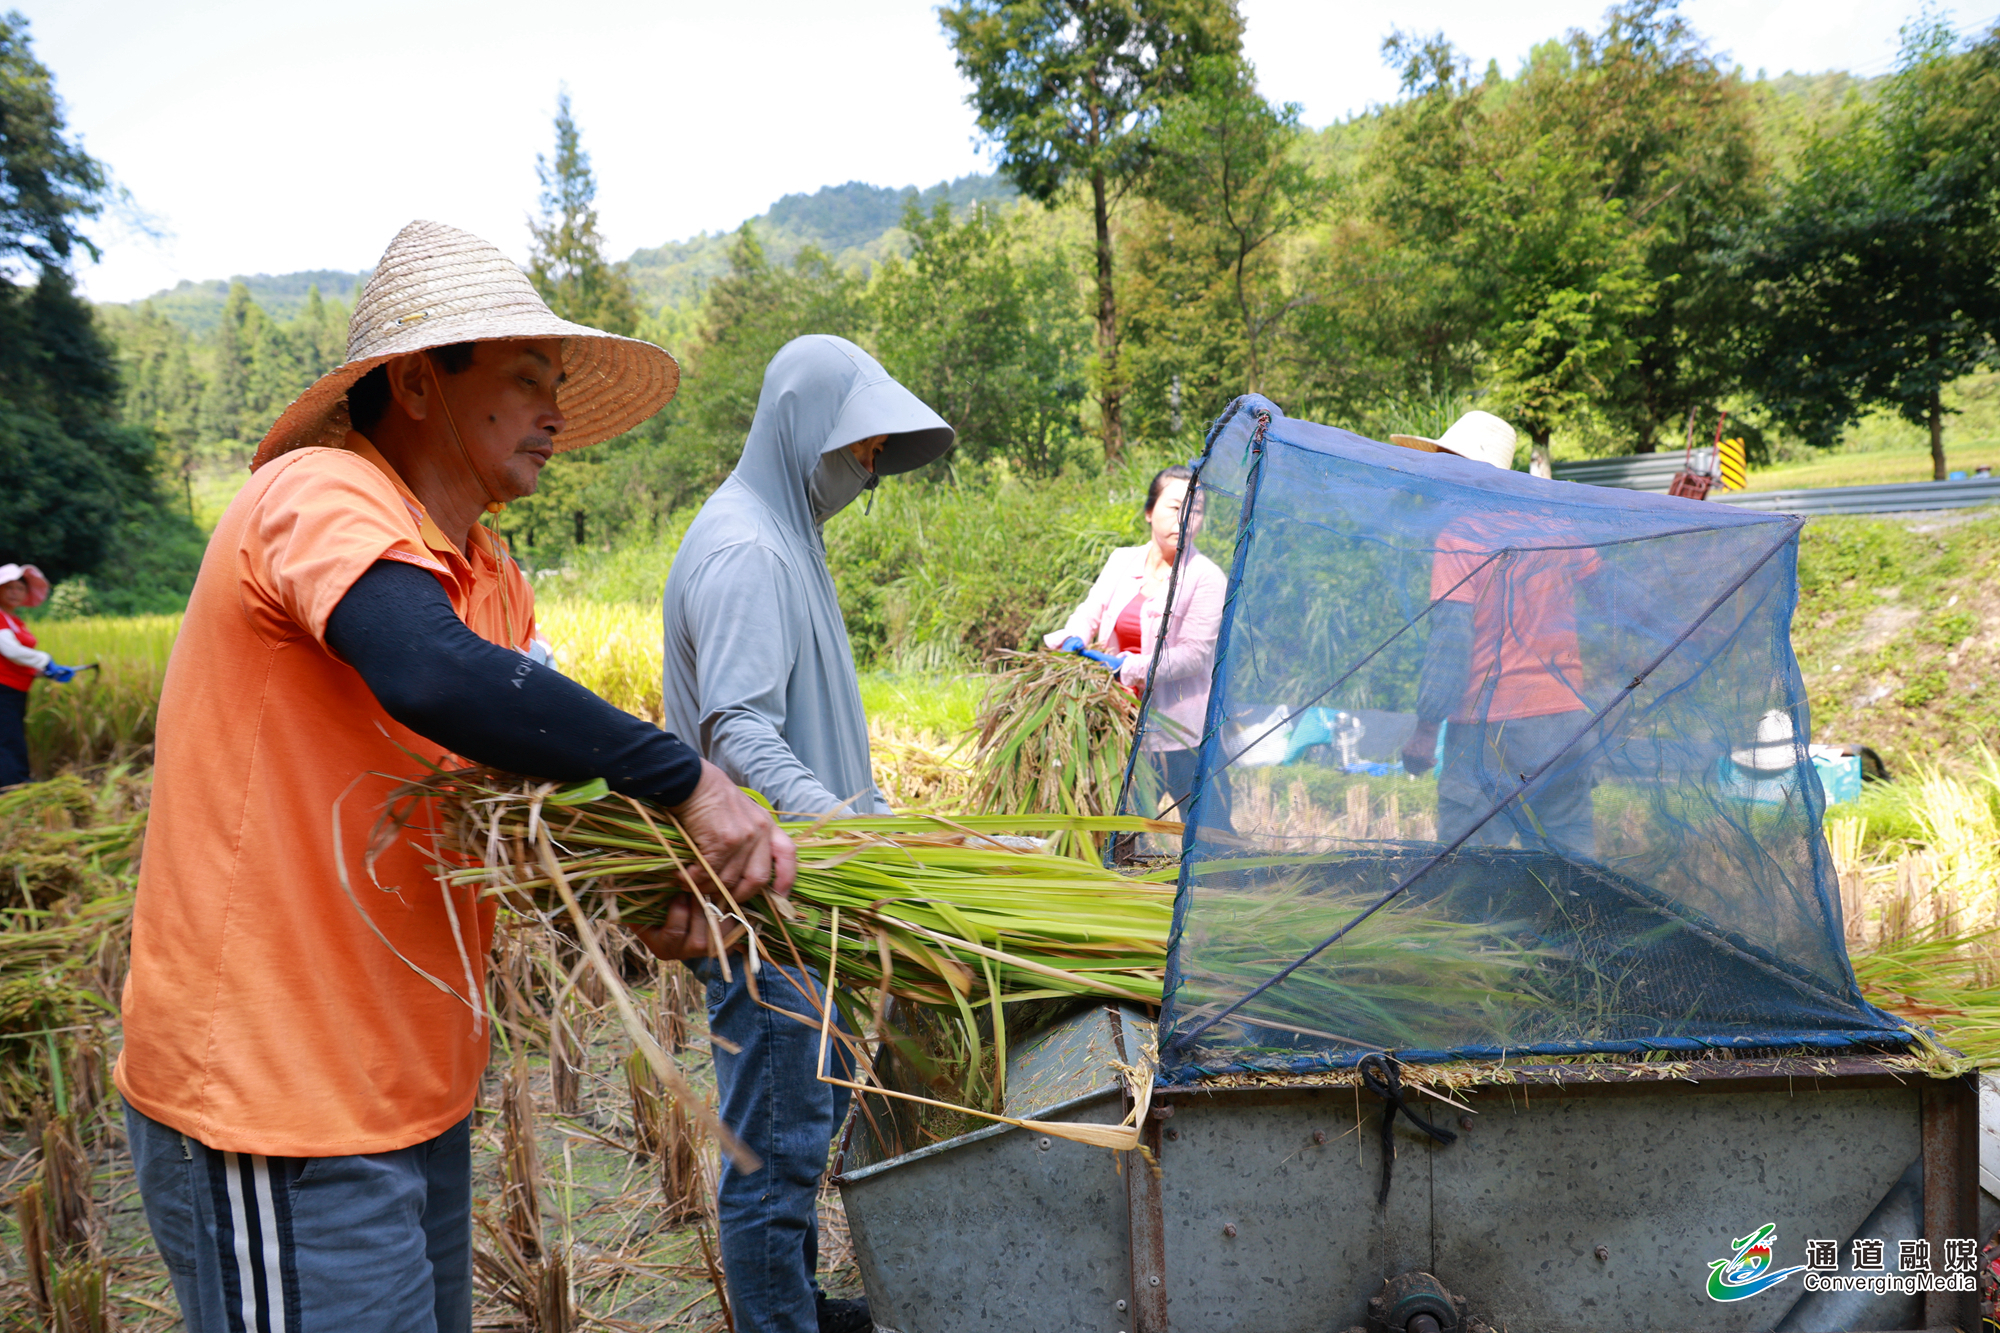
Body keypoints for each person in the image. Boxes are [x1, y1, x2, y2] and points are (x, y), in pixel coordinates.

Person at [115, 221, 795, 1333]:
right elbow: (429, 671)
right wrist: (685, 778)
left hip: (411, 1089)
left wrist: (660, 891)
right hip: (276, 1101)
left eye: (557, 384)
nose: (556, 413)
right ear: (421, 384)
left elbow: (522, 813)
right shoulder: (316, 492)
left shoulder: (490, 576)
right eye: (526, 378)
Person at [661, 334, 953, 1333]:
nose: (866, 470)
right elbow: (736, 734)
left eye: (877, 452)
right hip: (767, 905)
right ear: (802, 429)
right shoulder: (748, 548)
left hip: (808, 892)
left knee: (800, 1123)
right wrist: (837, 828)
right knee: (775, 1153)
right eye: (857, 448)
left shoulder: (783, 533)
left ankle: (798, 1305)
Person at [1396, 411, 1602, 858]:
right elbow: (1614, 603)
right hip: (1564, 723)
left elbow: (1451, 643)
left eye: (1451, 464)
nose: (1442, 477)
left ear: (1473, 474)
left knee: (1465, 867)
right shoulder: (1558, 528)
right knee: (1572, 865)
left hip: (1489, 732)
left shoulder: (1461, 536)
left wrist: (1425, 732)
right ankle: (1586, 929)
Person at [1044, 466, 1227, 823]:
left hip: (1180, 733)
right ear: (1149, 511)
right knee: (1121, 828)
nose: (1187, 517)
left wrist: (1126, 667)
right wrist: (1075, 636)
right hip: (1119, 724)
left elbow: (1193, 656)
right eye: (1176, 507)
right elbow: (1089, 613)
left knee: (1210, 829)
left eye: (1198, 509)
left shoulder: (1207, 578)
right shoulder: (1121, 560)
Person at [0, 562, 80, 787]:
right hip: (3, 689)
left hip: (14, 690)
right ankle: (12, 787)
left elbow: (13, 661)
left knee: (12, 736)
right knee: (7, 739)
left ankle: (15, 784)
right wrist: (45, 660)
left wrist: (43, 672)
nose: (15, 593)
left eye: (20, 588)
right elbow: (10, 651)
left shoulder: (14, 621)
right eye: (9, 587)